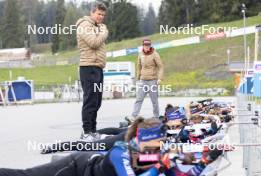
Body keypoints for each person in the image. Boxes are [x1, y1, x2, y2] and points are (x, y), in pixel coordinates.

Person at [0, 118, 224, 176]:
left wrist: (203, 160)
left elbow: (179, 168)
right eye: (157, 143)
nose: (161, 147)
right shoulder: (122, 153)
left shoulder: (155, 155)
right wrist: (161, 162)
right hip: (76, 169)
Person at [76, 2, 108, 140]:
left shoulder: (98, 27)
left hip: (98, 67)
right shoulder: (84, 25)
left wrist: (101, 30)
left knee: (97, 101)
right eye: (98, 14)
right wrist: (104, 31)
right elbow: (94, 43)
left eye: (103, 15)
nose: (101, 17)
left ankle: (93, 131)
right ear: (92, 12)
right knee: (90, 100)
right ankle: (86, 132)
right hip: (88, 67)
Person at [130, 39, 164, 120]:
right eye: (145, 45)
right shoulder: (140, 54)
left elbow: (161, 67)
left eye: (148, 45)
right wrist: (138, 78)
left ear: (150, 45)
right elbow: (138, 66)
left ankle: (156, 116)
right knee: (139, 99)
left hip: (152, 80)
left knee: (154, 101)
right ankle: (134, 116)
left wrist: (160, 78)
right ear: (143, 45)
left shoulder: (155, 54)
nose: (146, 46)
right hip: (143, 81)